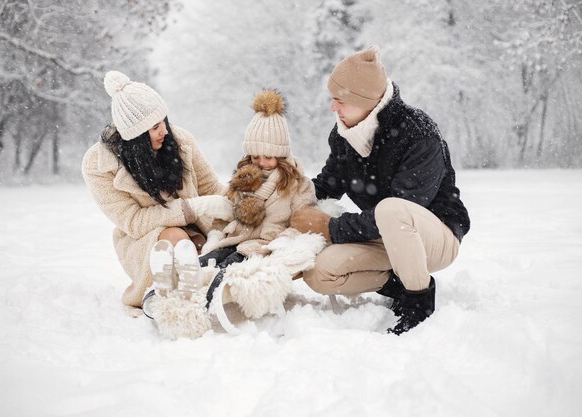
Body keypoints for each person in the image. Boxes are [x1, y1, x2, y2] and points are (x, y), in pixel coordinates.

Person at [291, 46, 470, 335]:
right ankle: (398, 285)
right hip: (384, 236)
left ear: (365, 101)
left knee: (391, 209)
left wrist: (332, 228)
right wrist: (285, 196)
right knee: (320, 273)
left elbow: (407, 206)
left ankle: (419, 303)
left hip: (434, 238)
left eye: (339, 100)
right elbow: (326, 186)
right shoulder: (343, 136)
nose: (332, 108)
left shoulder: (418, 133)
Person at [81, 71, 233, 317]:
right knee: (174, 236)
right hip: (144, 240)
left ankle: (200, 289)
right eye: (154, 127)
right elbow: (134, 221)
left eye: (163, 121)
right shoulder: (98, 165)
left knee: (213, 245)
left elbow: (212, 189)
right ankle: (167, 296)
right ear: (135, 137)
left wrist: (246, 201)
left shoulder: (180, 140)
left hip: (197, 232)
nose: (164, 130)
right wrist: (191, 209)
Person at [197, 89, 317, 307]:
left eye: (269, 157)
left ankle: (209, 301)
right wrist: (214, 237)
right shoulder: (244, 179)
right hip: (236, 239)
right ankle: (183, 290)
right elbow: (226, 212)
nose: (261, 162)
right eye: (255, 156)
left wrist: (283, 240)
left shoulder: (298, 184)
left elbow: (304, 221)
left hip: (265, 244)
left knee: (230, 266)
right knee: (206, 262)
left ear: (282, 155)